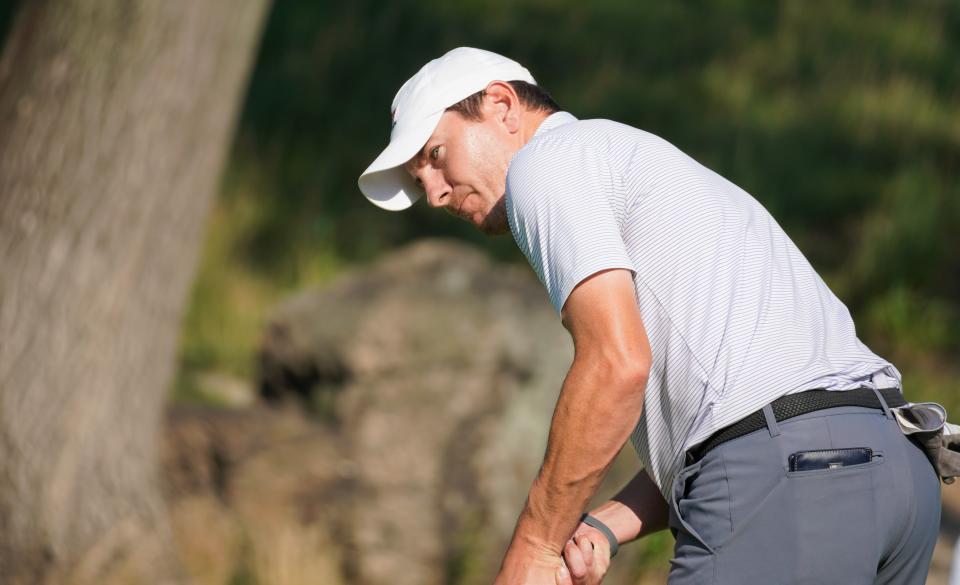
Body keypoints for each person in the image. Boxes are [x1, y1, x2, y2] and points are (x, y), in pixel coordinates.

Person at [357, 47, 942, 585]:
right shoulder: (649, 167)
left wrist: (537, 543)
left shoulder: (547, 163)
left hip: (795, 478)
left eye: (435, 156)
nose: (433, 194)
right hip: (896, 473)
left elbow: (618, 365)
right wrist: (607, 524)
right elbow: (742, 410)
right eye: (419, 181)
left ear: (502, 106)